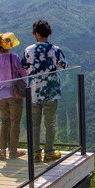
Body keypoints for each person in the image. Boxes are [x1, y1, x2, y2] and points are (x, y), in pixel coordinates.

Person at [21, 19, 67, 163]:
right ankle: (49, 152)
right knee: (50, 123)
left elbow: (24, 66)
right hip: (51, 92)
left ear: (36, 33)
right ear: (48, 33)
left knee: (34, 124)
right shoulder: (56, 50)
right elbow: (64, 65)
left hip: (33, 92)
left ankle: (35, 153)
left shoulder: (29, 50)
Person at [0, 32, 27, 160]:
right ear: (9, 45)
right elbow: (25, 74)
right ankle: (13, 151)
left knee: (5, 122)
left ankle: (2, 151)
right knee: (15, 123)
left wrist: (0, 80)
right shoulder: (14, 58)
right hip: (14, 94)